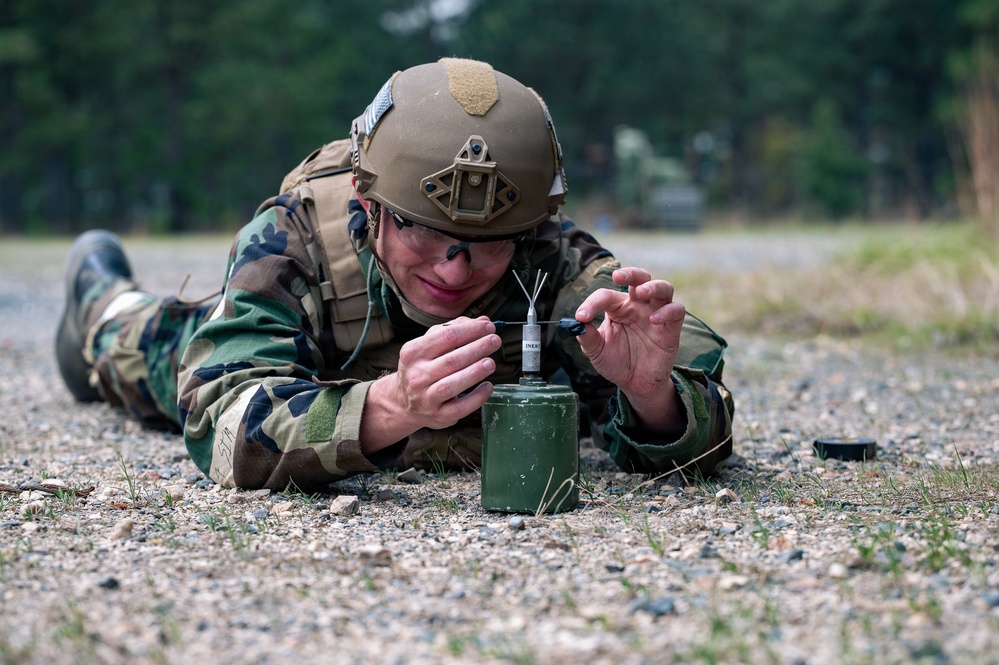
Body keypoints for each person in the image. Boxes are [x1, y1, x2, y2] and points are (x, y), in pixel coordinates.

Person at [55, 58, 734, 491]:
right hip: (287, 359)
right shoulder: (291, 239)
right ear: (367, 201)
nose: (453, 267)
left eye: (487, 243)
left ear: (528, 229)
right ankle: (103, 303)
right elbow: (223, 425)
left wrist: (654, 396)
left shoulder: (558, 262)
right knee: (150, 349)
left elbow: (701, 421)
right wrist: (390, 407)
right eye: (423, 231)